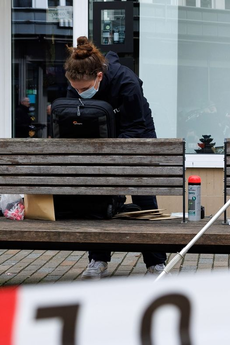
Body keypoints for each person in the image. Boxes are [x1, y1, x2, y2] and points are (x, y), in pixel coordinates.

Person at [64, 36, 167, 279]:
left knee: (144, 196)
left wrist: (112, 152)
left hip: (136, 132)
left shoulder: (127, 82)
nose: (79, 93)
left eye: (83, 89)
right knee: (98, 200)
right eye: (75, 89)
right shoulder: (77, 79)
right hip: (99, 136)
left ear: (99, 76)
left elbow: (136, 125)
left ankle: (156, 263)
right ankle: (97, 260)